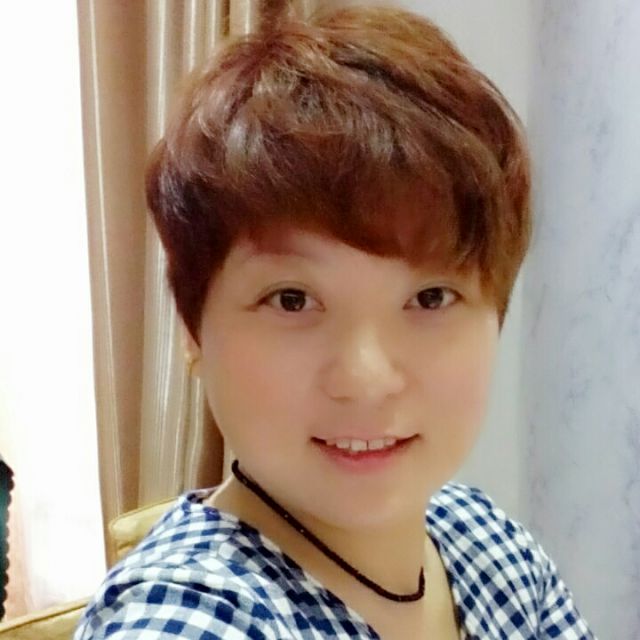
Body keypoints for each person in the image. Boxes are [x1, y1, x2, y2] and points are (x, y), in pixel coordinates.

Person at [75, 3, 596, 638]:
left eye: (431, 297)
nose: (366, 379)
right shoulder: (192, 616)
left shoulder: (491, 547)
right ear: (192, 328)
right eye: (292, 299)